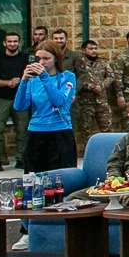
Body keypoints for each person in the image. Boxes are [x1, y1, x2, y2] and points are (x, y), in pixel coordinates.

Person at [14, 47, 77, 175]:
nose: (42, 62)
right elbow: (19, 106)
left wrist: (44, 77)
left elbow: (59, 101)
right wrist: (24, 81)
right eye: (39, 59)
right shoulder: (33, 81)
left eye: (46, 58)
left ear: (56, 59)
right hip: (36, 131)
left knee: (61, 177)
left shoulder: (67, 77)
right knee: (34, 177)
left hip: (60, 131)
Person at [0, 31, 27, 170]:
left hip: (21, 99)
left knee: (22, 130)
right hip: (2, 98)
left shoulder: (25, 59)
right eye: (10, 41)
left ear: (19, 43)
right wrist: (7, 83)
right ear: (4, 43)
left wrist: (22, 80)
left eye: (15, 41)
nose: (12, 44)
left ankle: (21, 158)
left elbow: (34, 77)